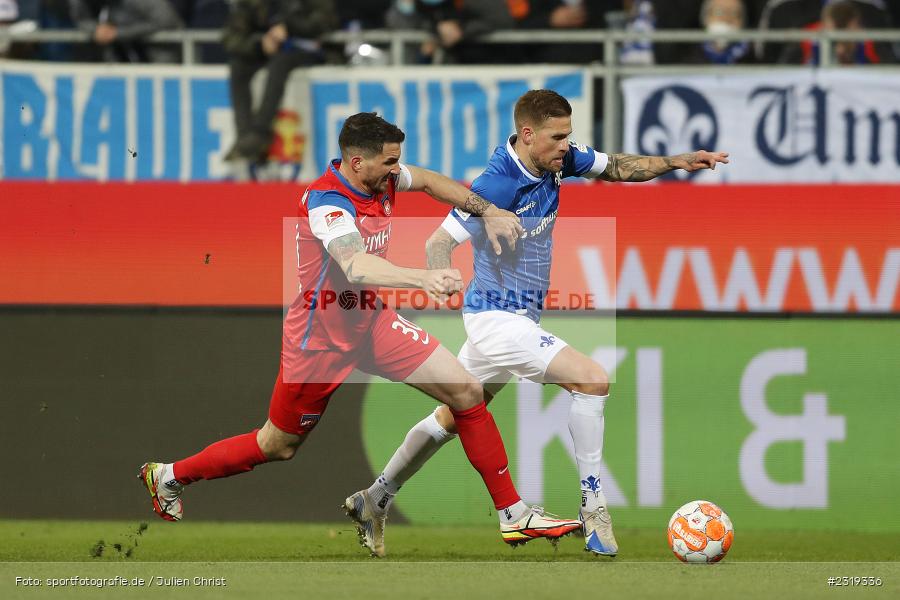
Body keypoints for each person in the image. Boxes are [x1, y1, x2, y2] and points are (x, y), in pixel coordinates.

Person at [139, 112, 583, 556]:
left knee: (466, 391)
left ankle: (512, 514)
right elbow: (355, 265)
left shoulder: (381, 177)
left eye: (397, 161)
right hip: (320, 340)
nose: (396, 170)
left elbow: (430, 182)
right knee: (277, 444)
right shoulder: (328, 203)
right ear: (357, 162)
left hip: (371, 323)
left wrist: (487, 210)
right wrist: (422, 278)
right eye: (389, 162)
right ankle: (170, 476)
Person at [347, 90, 729, 558]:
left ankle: (374, 498)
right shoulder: (496, 184)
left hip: (515, 319)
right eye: (557, 137)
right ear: (527, 135)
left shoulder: (558, 160)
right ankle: (594, 507)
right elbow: (437, 242)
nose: (566, 145)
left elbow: (616, 167)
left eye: (568, 135)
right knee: (592, 380)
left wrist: (677, 162)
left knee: (453, 416)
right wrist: (442, 274)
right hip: (495, 320)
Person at [222, 0, 337, 163]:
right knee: (238, 66)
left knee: (279, 64)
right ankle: (245, 137)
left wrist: (288, 27)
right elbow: (231, 36)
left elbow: (324, 23)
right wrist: (260, 44)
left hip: (307, 50)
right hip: (268, 49)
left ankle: (258, 134)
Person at [68, 0, 183, 63]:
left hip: (162, 56)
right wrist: (95, 29)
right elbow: (81, 18)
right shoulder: (105, 4)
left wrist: (119, 33)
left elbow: (168, 21)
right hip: (127, 59)